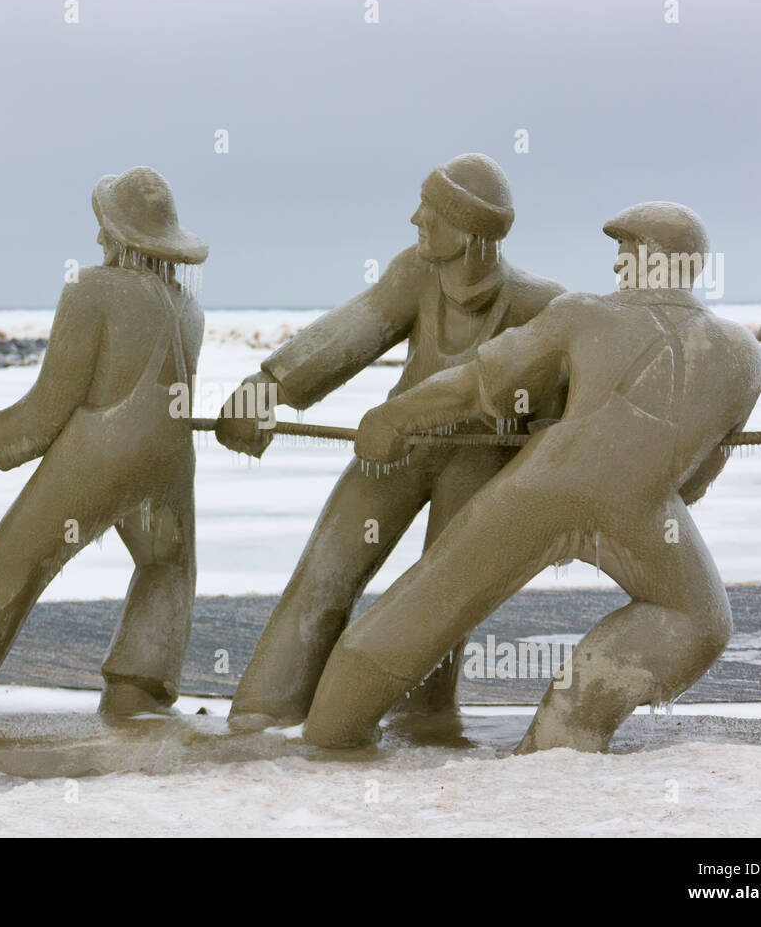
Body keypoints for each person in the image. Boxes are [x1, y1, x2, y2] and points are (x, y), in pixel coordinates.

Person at [303, 202, 761, 753]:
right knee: (698, 621)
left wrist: (395, 417)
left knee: (428, 601)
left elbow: (478, 383)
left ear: (649, 256)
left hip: (539, 489)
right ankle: (565, 734)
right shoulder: (742, 354)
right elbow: (699, 475)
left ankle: (331, 737)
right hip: (643, 506)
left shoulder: (582, 314)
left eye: (624, 250)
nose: (617, 265)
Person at [218, 154, 567, 729]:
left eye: (429, 210)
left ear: (467, 227)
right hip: (396, 444)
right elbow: (354, 328)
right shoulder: (416, 273)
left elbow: (562, 407)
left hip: (481, 459)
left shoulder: (538, 304)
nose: (415, 219)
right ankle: (265, 710)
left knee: (439, 594)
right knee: (327, 567)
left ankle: (423, 717)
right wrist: (268, 386)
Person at [0, 167, 206, 722]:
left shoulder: (93, 288)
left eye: (103, 226)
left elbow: (47, 411)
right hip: (168, 458)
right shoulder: (188, 307)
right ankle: (137, 698)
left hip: (98, 453)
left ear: (119, 234)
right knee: (167, 565)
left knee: (12, 569)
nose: (97, 239)